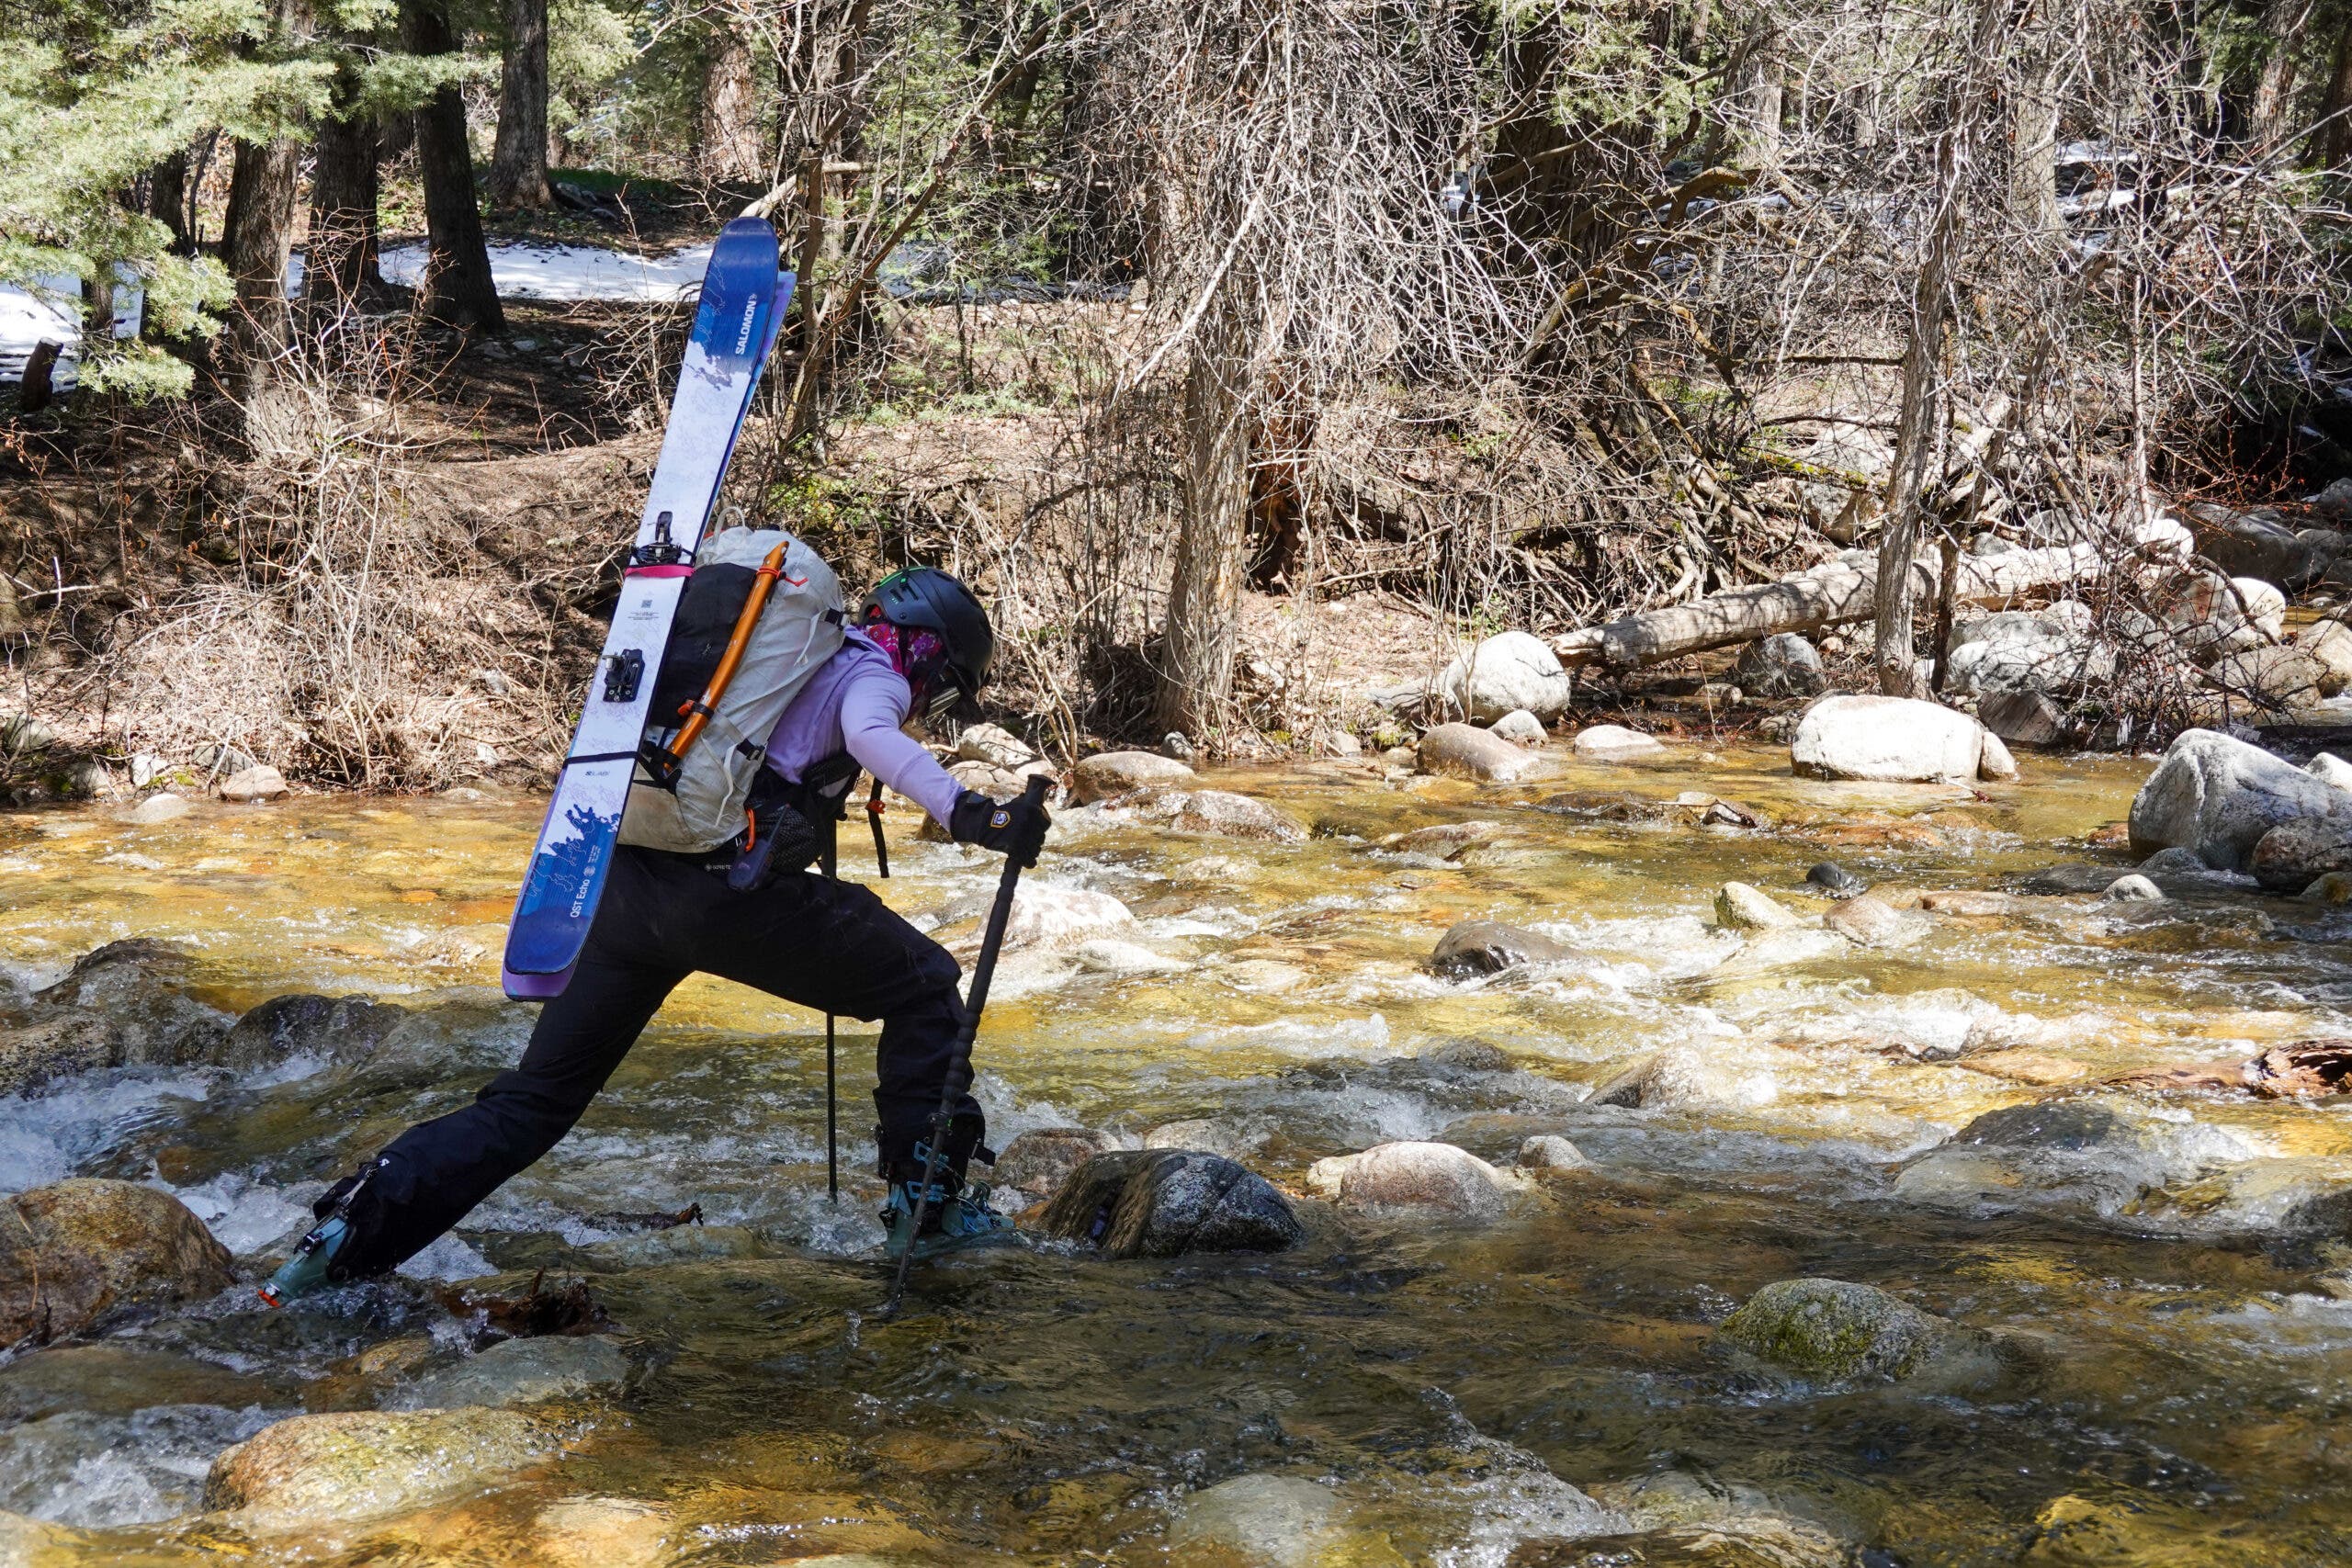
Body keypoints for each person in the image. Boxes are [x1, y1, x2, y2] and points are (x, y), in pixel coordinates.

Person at [262, 566, 1050, 1303]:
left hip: (625, 887)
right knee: (923, 983)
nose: (931, 703)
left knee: (531, 1104)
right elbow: (875, 734)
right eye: (943, 686)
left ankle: (343, 1240)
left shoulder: (772, 659)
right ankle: (933, 1213)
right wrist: (977, 813)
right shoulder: (868, 671)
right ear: (926, 647)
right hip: (723, 900)